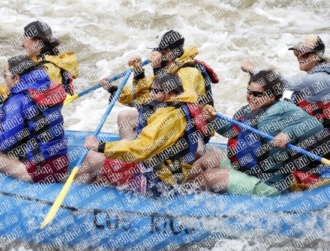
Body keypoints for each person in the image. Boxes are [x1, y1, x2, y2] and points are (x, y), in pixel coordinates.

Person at [187, 70, 323, 196]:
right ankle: (181, 191)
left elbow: (316, 126)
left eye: (257, 94)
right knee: (205, 160)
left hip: (268, 182)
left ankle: (186, 207)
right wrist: (213, 119)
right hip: (245, 167)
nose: (250, 97)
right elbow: (232, 132)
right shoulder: (248, 110)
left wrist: (288, 134)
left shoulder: (284, 108)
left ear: (272, 95)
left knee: (207, 177)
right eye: (249, 91)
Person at [76, 73, 210, 196]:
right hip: (167, 175)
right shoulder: (181, 105)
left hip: (156, 182)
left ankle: (71, 202)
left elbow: (143, 148)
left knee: (90, 158)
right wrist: (112, 88)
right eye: (151, 90)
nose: (151, 94)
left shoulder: (169, 118)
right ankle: (86, 194)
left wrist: (101, 147)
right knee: (101, 168)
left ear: (172, 94)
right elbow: (137, 98)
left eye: (156, 91)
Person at [0, 21, 78, 143]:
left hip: (29, 126)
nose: (22, 44)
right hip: (28, 119)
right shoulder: (43, 63)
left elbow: (20, 102)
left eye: (25, 39)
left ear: (37, 42)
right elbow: (15, 93)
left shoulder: (47, 70)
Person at [0, 55, 69, 183]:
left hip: (38, 170)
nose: (3, 77)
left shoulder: (19, 99)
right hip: (60, 163)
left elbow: (4, 144)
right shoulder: (47, 85)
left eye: (5, 74)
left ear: (17, 78)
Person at [100, 30, 218, 140]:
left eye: (156, 49)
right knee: (125, 116)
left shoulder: (189, 72)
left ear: (167, 52)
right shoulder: (169, 68)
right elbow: (142, 98)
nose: (152, 53)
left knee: (139, 115)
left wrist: (157, 68)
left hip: (190, 132)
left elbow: (172, 104)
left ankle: (137, 155)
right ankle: (131, 157)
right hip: (170, 122)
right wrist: (116, 87)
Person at [242, 36, 330, 128]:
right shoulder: (320, 73)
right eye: (297, 52)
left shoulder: (319, 79)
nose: (299, 57)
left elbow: (281, 82)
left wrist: (252, 68)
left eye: (304, 54)